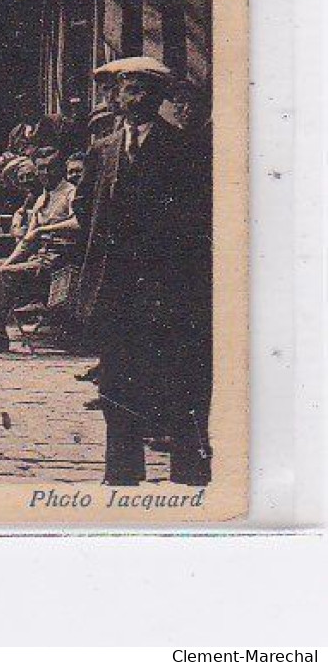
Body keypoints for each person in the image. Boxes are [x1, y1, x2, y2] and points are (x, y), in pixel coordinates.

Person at [75, 57, 211, 486]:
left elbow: (197, 216)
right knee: (116, 383)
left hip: (168, 286)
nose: (135, 99)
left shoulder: (185, 149)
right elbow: (83, 205)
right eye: (127, 90)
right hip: (115, 287)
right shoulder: (103, 150)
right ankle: (121, 471)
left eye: (145, 91)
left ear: (160, 98)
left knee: (178, 378)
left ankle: (188, 472)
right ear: (115, 98)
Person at [0, 149, 79, 358]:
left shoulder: (70, 193)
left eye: (50, 168)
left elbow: (78, 223)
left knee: (3, 275)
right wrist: (6, 263)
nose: (45, 173)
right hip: (36, 257)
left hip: (58, 262)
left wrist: (42, 230)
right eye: (41, 168)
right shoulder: (42, 198)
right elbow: (26, 244)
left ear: (60, 169)